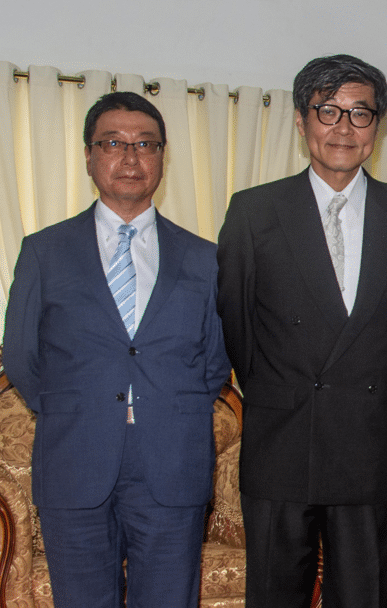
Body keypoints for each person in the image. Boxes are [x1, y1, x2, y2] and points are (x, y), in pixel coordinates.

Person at [216, 54, 387, 608]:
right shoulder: (253, 212)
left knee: (361, 595)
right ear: (301, 120)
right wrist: (281, 391)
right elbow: (237, 328)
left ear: (378, 127)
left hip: (367, 440)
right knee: (273, 595)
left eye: (360, 114)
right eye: (328, 111)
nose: (343, 127)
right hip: (280, 440)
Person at [3, 92, 230, 607]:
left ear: (162, 158)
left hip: (172, 464)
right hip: (75, 460)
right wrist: (79, 408)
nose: (131, 157)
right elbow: (20, 355)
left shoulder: (205, 259)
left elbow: (215, 361)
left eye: (145, 144)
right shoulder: (45, 251)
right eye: (113, 143)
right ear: (89, 155)